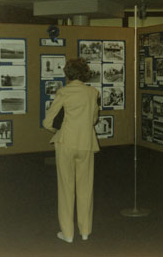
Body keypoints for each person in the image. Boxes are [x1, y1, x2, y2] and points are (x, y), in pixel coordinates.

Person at [43, 58, 99, 243]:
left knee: (66, 189)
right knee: (86, 188)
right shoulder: (92, 93)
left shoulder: (63, 92)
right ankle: (85, 231)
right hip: (86, 143)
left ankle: (67, 233)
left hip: (66, 143)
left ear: (68, 73)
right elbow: (93, 120)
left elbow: (47, 122)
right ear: (84, 73)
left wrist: (59, 131)